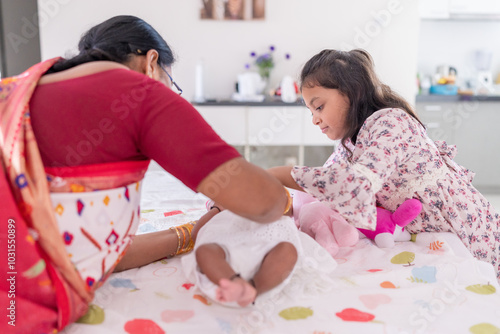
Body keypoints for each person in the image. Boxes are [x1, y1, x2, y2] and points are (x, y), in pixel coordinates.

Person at [0, 15, 291, 333]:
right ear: (151, 62)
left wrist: (189, 235)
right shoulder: (139, 95)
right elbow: (266, 203)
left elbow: (93, 253)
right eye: (171, 83)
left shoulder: (13, 93)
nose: (169, 93)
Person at [268, 49, 500, 282]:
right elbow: (327, 185)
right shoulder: (349, 143)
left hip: (464, 226)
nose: (314, 119)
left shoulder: (390, 122)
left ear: (352, 93)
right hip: (431, 234)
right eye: (310, 111)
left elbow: (351, 185)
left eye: (318, 107)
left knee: (486, 282)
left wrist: (277, 174)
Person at [182, 200, 300, 307]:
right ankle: (235, 283)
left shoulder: (274, 203)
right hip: (226, 257)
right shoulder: (223, 209)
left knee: (288, 251)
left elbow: (286, 208)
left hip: (266, 251)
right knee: (205, 250)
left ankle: (252, 289)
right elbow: (196, 233)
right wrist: (217, 208)